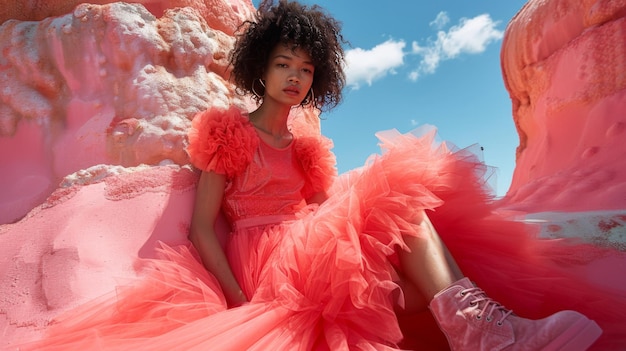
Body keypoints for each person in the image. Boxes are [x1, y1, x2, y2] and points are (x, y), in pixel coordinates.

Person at [17, 0, 617, 350]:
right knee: (398, 207)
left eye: (305, 68)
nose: (294, 77)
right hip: (268, 253)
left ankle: (479, 327)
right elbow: (204, 229)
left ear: (317, 78)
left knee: (398, 206)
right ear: (260, 69)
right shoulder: (228, 131)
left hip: (314, 240)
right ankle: (482, 332)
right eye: (282, 64)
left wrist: (370, 215)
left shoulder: (305, 146)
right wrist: (236, 300)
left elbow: (338, 209)